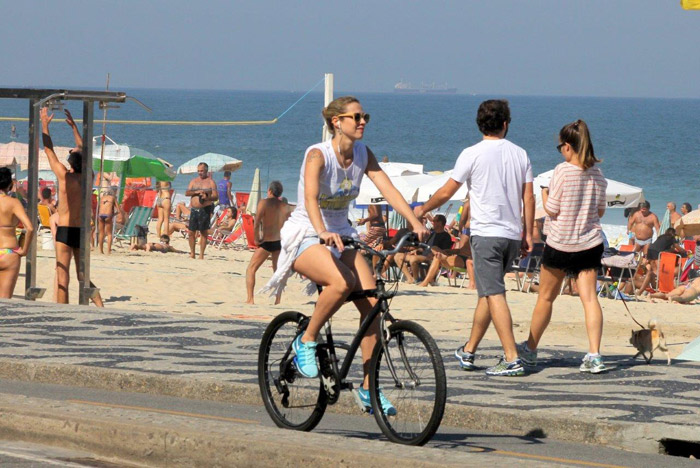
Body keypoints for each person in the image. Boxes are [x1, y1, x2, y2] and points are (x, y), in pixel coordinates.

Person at [259, 96, 428, 414]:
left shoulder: (364, 154)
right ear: (337, 122)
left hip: (343, 237)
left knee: (374, 310)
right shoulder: (317, 155)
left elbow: (388, 189)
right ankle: (306, 339)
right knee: (342, 282)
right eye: (356, 116)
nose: (362, 121)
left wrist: (414, 220)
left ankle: (368, 389)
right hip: (307, 235)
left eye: (365, 115)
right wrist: (322, 230)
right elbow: (310, 198)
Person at [414, 99, 534, 377]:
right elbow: (528, 196)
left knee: (494, 293)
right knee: (487, 294)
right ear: (505, 124)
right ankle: (469, 349)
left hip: (487, 234)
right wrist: (527, 232)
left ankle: (512, 357)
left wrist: (423, 208)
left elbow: (447, 191)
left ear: (480, 124)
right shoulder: (520, 154)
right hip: (511, 235)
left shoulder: (471, 153)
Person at [517, 120, 608, 374]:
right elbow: (600, 210)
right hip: (589, 242)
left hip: (560, 243)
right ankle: (594, 354)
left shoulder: (562, 171)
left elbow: (553, 209)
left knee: (546, 297)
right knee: (590, 299)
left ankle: (531, 349)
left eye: (561, 147)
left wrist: (545, 195)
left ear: (567, 146)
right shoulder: (598, 175)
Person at [41, 108, 103, 307]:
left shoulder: (64, 176)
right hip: (82, 230)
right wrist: (74, 127)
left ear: (70, 162)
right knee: (82, 277)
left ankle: (62, 312)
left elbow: (49, 151)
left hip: (66, 230)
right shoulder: (88, 177)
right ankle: (100, 306)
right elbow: (83, 149)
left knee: (62, 277)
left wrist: (44, 124)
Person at [245, 181, 288, 305]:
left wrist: (256, 238)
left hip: (267, 240)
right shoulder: (283, 205)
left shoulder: (264, 203)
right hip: (279, 241)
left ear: (269, 191)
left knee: (251, 269)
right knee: (277, 272)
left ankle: (250, 299)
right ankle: (277, 300)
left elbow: (257, 221)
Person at [0, 167, 34, 298]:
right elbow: (30, 228)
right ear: (10, 184)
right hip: (9, 252)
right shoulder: (13, 202)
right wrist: (25, 250)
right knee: (5, 301)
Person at [393, 214, 453, 283]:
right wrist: (416, 250)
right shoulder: (432, 234)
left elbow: (445, 251)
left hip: (432, 257)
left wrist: (434, 254)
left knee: (413, 259)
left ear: (440, 223)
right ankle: (410, 278)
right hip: (423, 256)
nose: (432, 222)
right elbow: (425, 247)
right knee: (398, 256)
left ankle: (416, 279)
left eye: (434, 221)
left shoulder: (446, 236)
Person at [635, 227, 687, 296]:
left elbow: (662, 246)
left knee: (654, 268)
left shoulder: (661, 236)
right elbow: (677, 246)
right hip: (657, 252)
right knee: (659, 269)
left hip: (650, 249)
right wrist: (684, 251)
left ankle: (653, 281)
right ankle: (658, 282)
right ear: (673, 233)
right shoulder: (671, 238)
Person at [185, 162, 218, 259]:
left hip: (205, 209)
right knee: (191, 232)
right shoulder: (194, 181)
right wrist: (196, 192)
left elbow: (215, 196)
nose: (200, 173)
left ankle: (201, 254)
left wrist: (206, 197)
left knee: (203, 232)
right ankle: (192, 253)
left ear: (206, 171)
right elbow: (187, 192)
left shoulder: (210, 182)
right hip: (194, 209)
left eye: (202, 171)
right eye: (199, 171)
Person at [97, 186, 122, 255]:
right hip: (108, 215)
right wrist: (114, 214)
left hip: (100, 215)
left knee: (101, 233)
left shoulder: (102, 198)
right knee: (109, 233)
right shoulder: (113, 198)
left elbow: (99, 207)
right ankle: (108, 251)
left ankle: (101, 250)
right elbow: (119, 210)